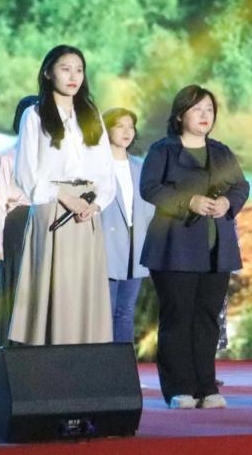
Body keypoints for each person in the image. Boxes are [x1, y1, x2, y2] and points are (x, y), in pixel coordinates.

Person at [141, 85, 249, 410]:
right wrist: (188, 201)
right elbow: (149, 188)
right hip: (174, 248)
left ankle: (206, 387)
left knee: (207, 319)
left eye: (209, 110)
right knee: (178, 318)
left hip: (217, 249)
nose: (205, 115)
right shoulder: (163, 150)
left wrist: (228, 202)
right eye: (197, 109)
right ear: (180, 115)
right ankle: (179, 388)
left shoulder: (221, 151)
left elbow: (241, 186)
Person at [9, 45, 116, 346]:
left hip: (87, 210)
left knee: (83, 287)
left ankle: (84, 353)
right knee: (53, 285)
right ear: (47, 72)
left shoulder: (91, 114)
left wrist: (97, 204)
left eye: (79, 70)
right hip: (52, 205)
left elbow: (105, 170)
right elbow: (25, 173)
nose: (73, 77)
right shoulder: (34, 115)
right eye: (65, 69)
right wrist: (64, 196)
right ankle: (49, 354)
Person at [0, 94, 40, 353]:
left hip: (49, 221)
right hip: (19, 223)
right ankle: (11, 355)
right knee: (17, 290)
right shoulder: (6, 157)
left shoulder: (56, 157)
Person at [102, 107, 156, 345]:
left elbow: (150, 208)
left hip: (136, 248)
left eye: (131, 127)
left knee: (125, 312)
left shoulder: (141, 166)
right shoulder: (96, 166)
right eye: (119, 126)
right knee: (105, 312)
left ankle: (124, 363)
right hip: (106, 248)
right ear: (106, 129)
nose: (126, 132)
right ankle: (103, 362)